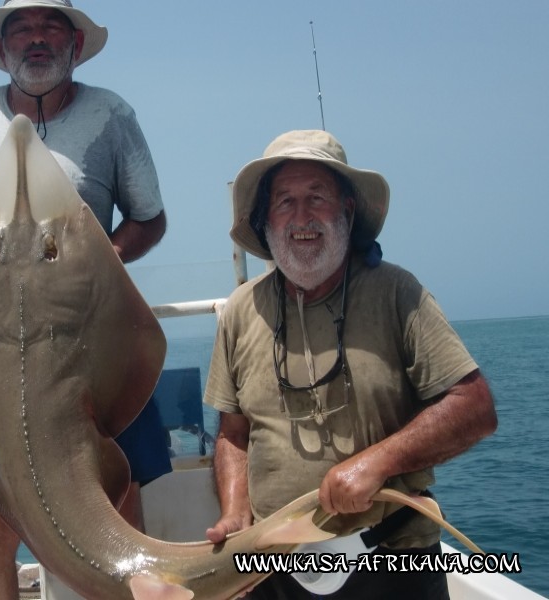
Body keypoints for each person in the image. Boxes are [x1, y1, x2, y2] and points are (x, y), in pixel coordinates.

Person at [0, 2, 170, 598]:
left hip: (83, 340)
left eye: (50, 27)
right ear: (2, 48)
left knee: (120, 513)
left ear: (76, 42)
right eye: (20, 29)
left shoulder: (112, 115)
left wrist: (102, 262)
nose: (35, 40)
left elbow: (149, 219)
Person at [203, 129, 498, 599]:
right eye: (284, 201)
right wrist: (236, 514)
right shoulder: (240, 311)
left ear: (348, 210)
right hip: (272, 569)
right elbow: (233, 436)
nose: (301, 217)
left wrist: (377, 463)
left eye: (317, 198)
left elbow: (475, 407)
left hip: (392, 556)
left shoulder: (398, 293)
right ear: (264, 219)